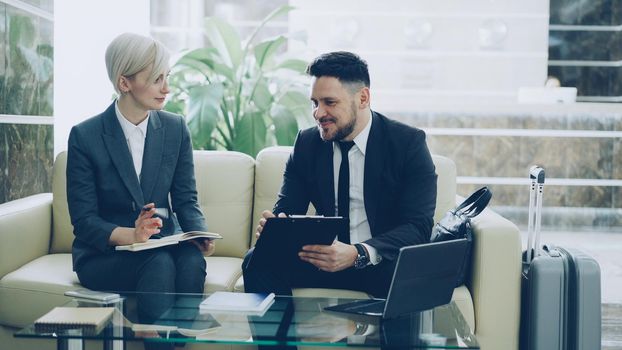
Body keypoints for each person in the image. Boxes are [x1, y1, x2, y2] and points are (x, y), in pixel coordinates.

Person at [242, 51, 437, 298]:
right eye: (315, 102)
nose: (318, 113)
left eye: (329, 102)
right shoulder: (307, 143)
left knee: (409, 274)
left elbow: (417, 226)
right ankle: (284, 338)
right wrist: (276, 228)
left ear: (363, 98)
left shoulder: (407, 144)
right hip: (322, 259)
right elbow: (288, 208)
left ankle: (383, 338)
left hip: (378, 261)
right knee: (256, 261)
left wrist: (359, 252)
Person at [66, 33, 214, 327]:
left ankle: (178, 346)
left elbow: (185, 199)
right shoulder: (85, 136)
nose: (167, 88)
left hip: (162, 242)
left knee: (191, 262)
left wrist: (200, 233)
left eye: (167, 77)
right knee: (157, 263)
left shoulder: (175, 129)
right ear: (125, 83)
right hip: (104, 255)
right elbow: (84, 221)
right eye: (157, 79)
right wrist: (130, 235)